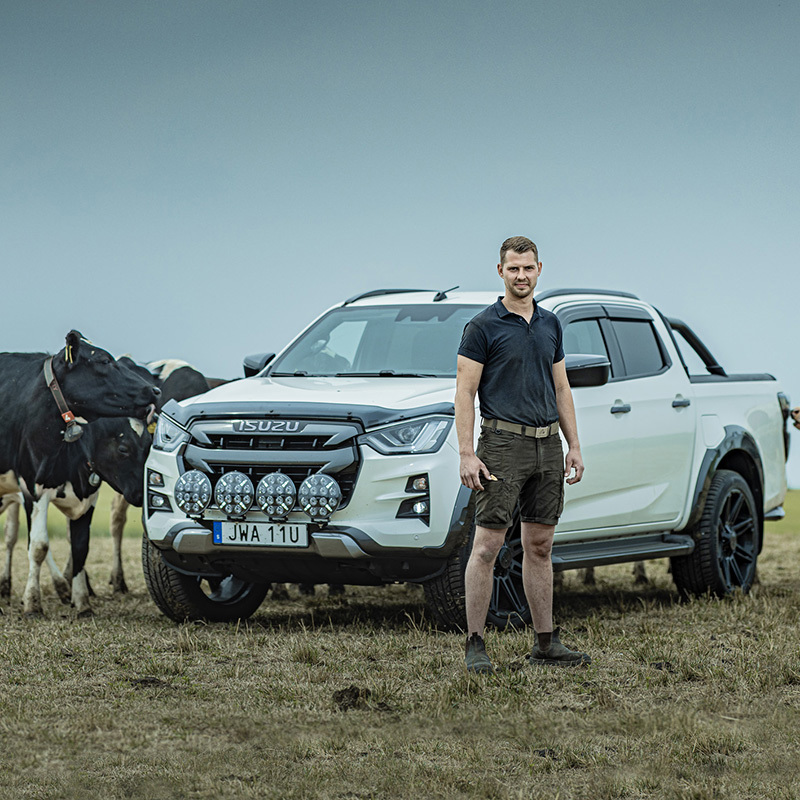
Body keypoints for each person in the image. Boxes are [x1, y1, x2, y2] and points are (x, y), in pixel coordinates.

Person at [455, 236, 590, 674]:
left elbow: (562, 388)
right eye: (513, 269)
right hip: (501, 445)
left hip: (547, 445)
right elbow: (464, 392)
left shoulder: (551, 324)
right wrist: (466, 453)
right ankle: (476, 643)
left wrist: (574, 446)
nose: (521, 276)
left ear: (539, 269)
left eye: (528, 268)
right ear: (500, 272)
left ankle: (545, 643)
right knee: (488, 545)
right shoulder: (482, 327)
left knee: (540, 544)